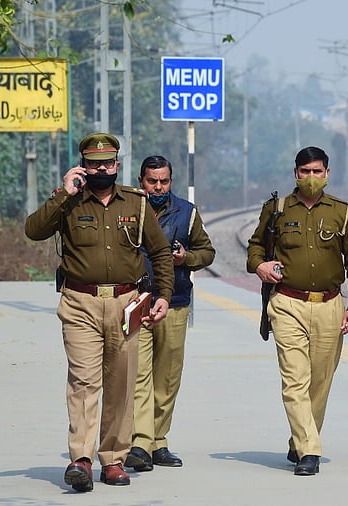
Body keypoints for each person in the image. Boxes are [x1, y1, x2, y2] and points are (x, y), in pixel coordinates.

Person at [25, 133, 175, 492]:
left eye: (107, 163)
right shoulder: (69, 202)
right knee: (84, 381)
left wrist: (163, 296)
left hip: (127, 304)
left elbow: (160, 254)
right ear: (83, 165)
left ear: (117, 165)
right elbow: (34, 231)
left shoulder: (137, 204)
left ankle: (113, 459)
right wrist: (65, 193)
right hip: (80, 305)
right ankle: (80, 459)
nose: (101, 169)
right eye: (94, 163)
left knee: (120, 386)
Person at [246, 146, 348, 476]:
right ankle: (310, 451)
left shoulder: (342, 212)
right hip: (287, 303)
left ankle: (299, 438)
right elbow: (256, 246)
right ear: (295, 174)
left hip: (329, 305)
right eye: (305, 172)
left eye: (317, 171)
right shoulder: (277, 209)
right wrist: (260, 265)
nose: (311, 178)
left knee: (320, 382)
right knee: (294, 380)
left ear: (327, 173)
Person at [125, 155, 216, 472]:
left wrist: (186, 257)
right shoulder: (127, 208)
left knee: (167, 377)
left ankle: (158, 441)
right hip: (135, 303)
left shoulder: (186, 213)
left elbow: (207, 252)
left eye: (164, 181)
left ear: (171, 181)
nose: (159, 187)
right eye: (153, 181)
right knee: (138, 376)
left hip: (174, 303)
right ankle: (139, 444)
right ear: (141, 181)